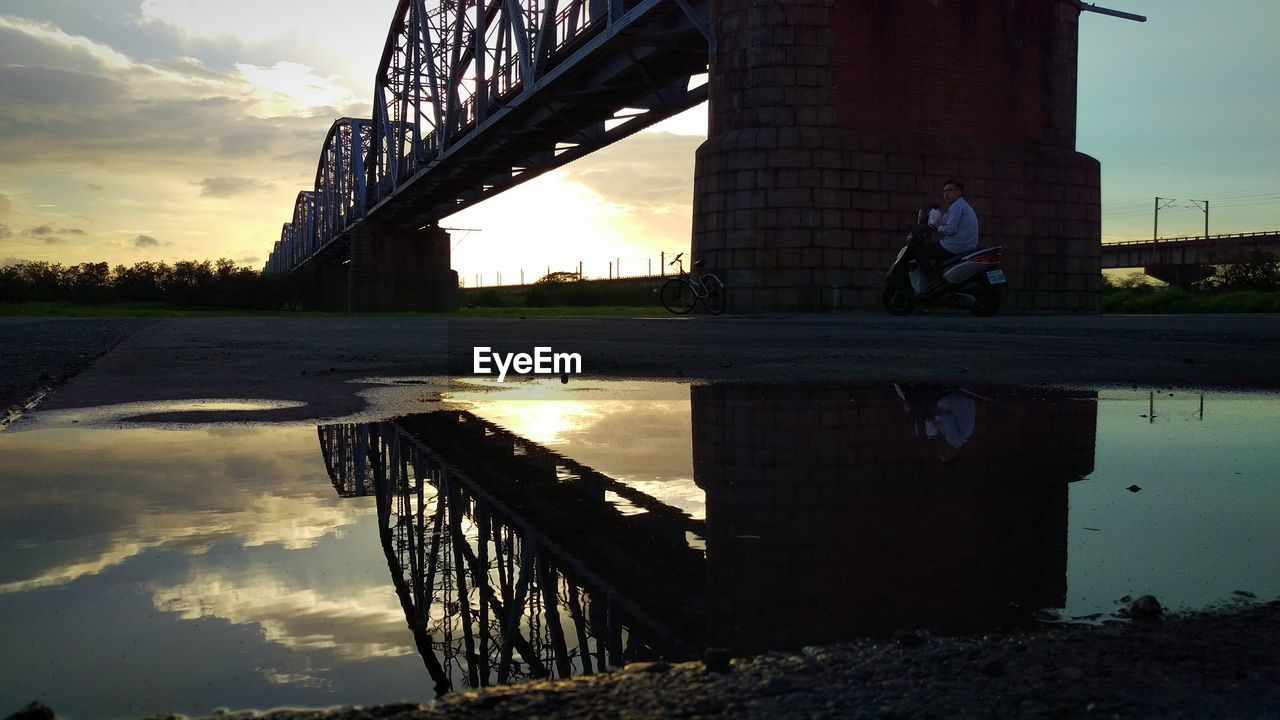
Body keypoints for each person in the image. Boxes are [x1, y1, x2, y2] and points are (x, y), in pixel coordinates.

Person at [922, 179, 979, 290]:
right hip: (965, 246)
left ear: (959, 192)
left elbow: (950, 229)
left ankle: (934, 280)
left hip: (955, 246)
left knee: (920, 252)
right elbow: (945, 221)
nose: (946, 194)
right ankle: (943, 286)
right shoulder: (961, 206)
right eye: (944, 192)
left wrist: (937, 227)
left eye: (949, 190)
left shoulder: (956, 206)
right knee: (939, 262)